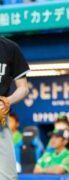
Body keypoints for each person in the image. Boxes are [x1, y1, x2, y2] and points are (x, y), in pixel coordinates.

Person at [0, 36, 29, 179]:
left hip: (0, 123)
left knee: (8, 177)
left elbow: (23, 88)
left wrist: (7, 101)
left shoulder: (10, 47)